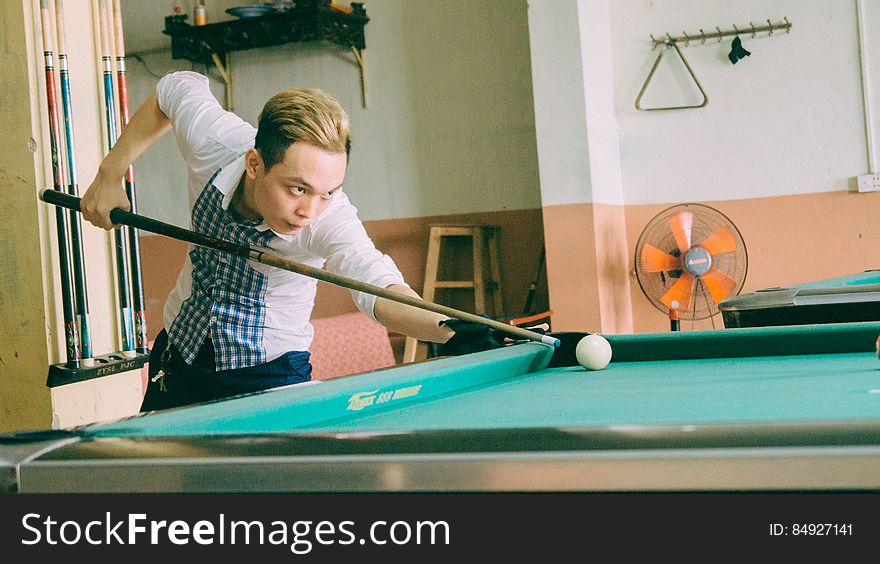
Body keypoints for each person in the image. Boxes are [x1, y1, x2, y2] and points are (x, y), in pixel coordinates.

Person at [81, 71, 499, 411]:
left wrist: (448, 329)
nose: (310, 211)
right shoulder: (216, 142)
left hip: (268, 376)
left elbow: (375, 286)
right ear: (254, 164)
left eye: (329, 191)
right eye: (297, 189)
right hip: (178, 359)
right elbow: (175, 86)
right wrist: (109, 175)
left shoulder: (328, 218)